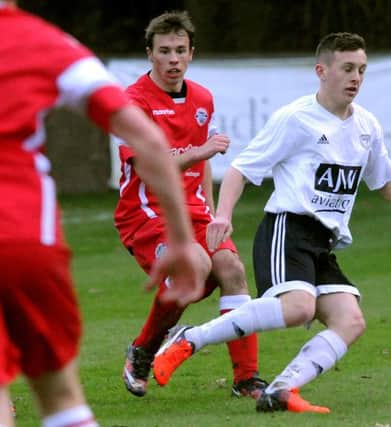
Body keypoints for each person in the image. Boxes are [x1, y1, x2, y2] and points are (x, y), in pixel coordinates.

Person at [152, 32, 391, 413]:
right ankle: (190, 338)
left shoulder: (367, 126)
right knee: (299, 308)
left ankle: (282, 390)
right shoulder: (296, 118)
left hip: (323, 241)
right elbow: (241, 169)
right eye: (347, 69)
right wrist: (222, 215)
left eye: (361, 70)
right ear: (322, 71)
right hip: (286, 230)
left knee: (350, 320)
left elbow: (389, 184)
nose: (355, 78)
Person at [0, 2, 207, 427]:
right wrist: (183, 241)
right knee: (60, 399)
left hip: (22, 238)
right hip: (23, 238)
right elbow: (146, 139)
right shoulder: (43, 41)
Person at [114, 10, 265, 399]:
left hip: (193, 211)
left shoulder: (201, 98)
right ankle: (143, 351)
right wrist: (199, 150)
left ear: (191, 53)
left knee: (230, 267)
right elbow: (149, 167)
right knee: (194, 269)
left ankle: (246, 380)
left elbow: (202, 165)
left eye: (180, 50)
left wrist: (214, 215)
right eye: (164, 51)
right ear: (150, 54)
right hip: (147, 212)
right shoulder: (133, 102)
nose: (173, 59)